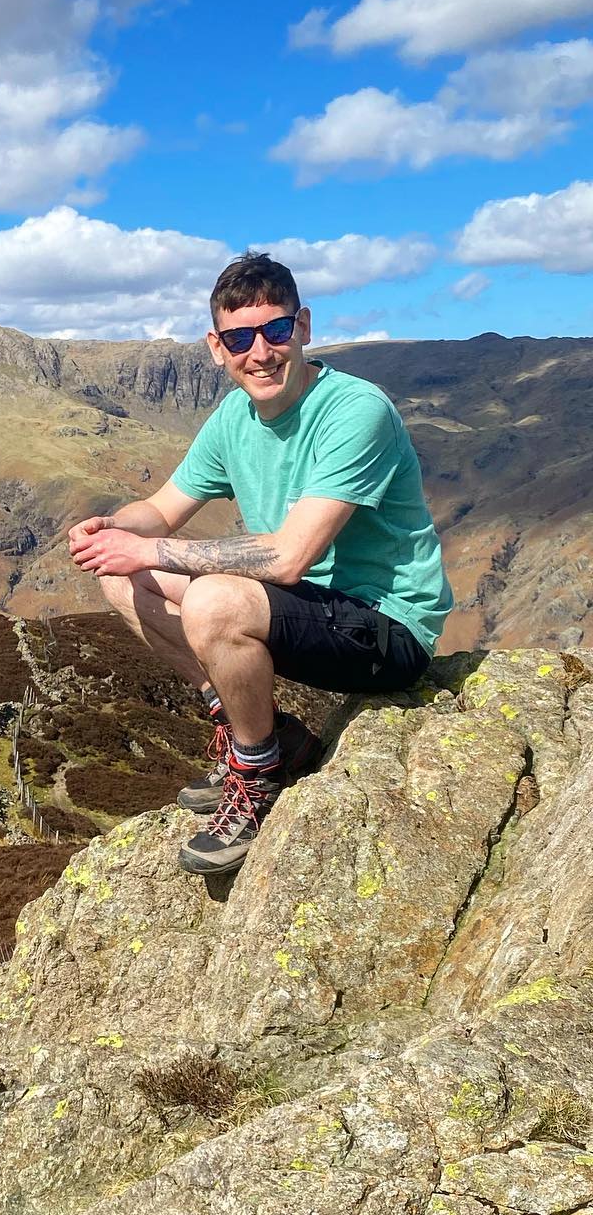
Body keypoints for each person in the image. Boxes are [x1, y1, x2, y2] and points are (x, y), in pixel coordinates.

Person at [66, 252, 451, 877]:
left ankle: (256, 775)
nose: (261, 352)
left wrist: (154, 550)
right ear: (217, 347)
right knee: (121, 574)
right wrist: (110, 528)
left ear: (302, 327)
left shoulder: (356, 410)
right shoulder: (234, 419)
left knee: (213, 599)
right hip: (310, 616)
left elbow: (292, 556)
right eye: (241, 338)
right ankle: (275, 740)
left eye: (274, 331)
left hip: (387, 629)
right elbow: (161, 513)